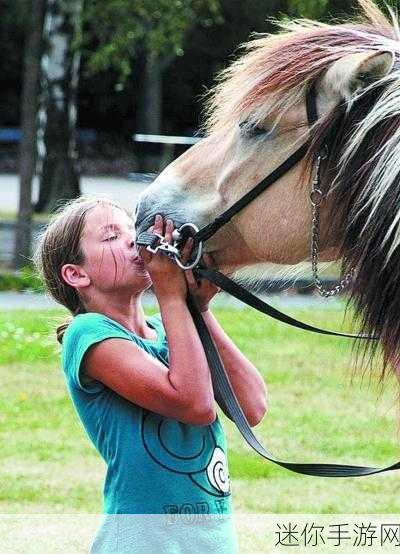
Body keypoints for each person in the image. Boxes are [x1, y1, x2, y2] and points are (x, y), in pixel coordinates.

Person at [34, 196, 267, 553]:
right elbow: (195, 405)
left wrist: (198, 308)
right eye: (112, 237)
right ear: (76, 274)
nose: (134, 239)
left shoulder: (170, 330)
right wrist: (171, 296)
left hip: (210, 537)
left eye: (132, 229)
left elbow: (252, 406)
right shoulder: (88, 334)